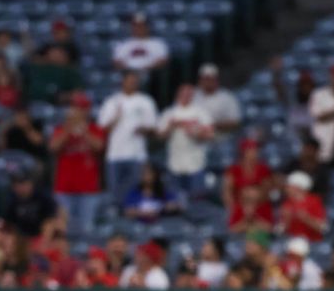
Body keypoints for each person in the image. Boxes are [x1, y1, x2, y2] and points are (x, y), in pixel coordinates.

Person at [49, 93, 106, 237]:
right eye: (74, 107)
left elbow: (99, 147)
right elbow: (53, 147)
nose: (76, 111)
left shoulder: (94, 128)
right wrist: (69, 129)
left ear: (87, 110)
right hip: (64, 187)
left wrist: (83, 130)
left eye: (80, 108)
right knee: (63, 231)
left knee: (87, 231)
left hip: (88, 187)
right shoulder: (61, 129)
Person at [97, 71, 158, 205]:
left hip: (137, 154)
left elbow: (153, 128)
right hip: (114, 155)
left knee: (135, 193)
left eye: (135, 81)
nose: (132, 83)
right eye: (129, 80)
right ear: (123, 81)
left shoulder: (145, 101)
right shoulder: (112, 101)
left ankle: (134, 223)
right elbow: (102, 128)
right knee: (114, 193)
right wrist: (116, 118)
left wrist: (143, 129)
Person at [156, 84, 214, 199]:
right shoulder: (169, 113)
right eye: (183, 93)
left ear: (193, 95)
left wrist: (196, 134)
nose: (186, 96)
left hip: (196, 164)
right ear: (178, 94)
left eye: (189, 93)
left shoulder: (200, 113)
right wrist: (170, 126)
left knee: (197, 202)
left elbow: (211, 134)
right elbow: (160, 136)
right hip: (175, 165)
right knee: (175, 201)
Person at [222, 138, 273, 212]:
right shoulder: (233, 169)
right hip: (239, 207)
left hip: (259, 206)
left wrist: (253, 195)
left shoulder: (263, 169)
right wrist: (232, 208)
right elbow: (227, 191)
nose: (255, 152)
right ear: (244, 152)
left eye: (256, 150)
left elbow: (267, 191)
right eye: (252, 150)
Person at [278, 172, 327, 242]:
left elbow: (323, 228)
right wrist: (286, 220)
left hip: (312, 241)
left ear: (298, 188)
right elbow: (280, 230)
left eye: (289, 186)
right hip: (291, 241)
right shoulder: (287, 203)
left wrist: (306, 218)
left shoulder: (314, 201)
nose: (286, 189)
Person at [194, 63, 241, 136]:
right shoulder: (192, 95)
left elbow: (236, 122)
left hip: (220, 137)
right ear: (200, 80)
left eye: (211, 79)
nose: (208, 82)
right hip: (195, 137)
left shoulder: (227, 97)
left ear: (217, 80)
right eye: (206, 78)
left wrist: (212, 125)